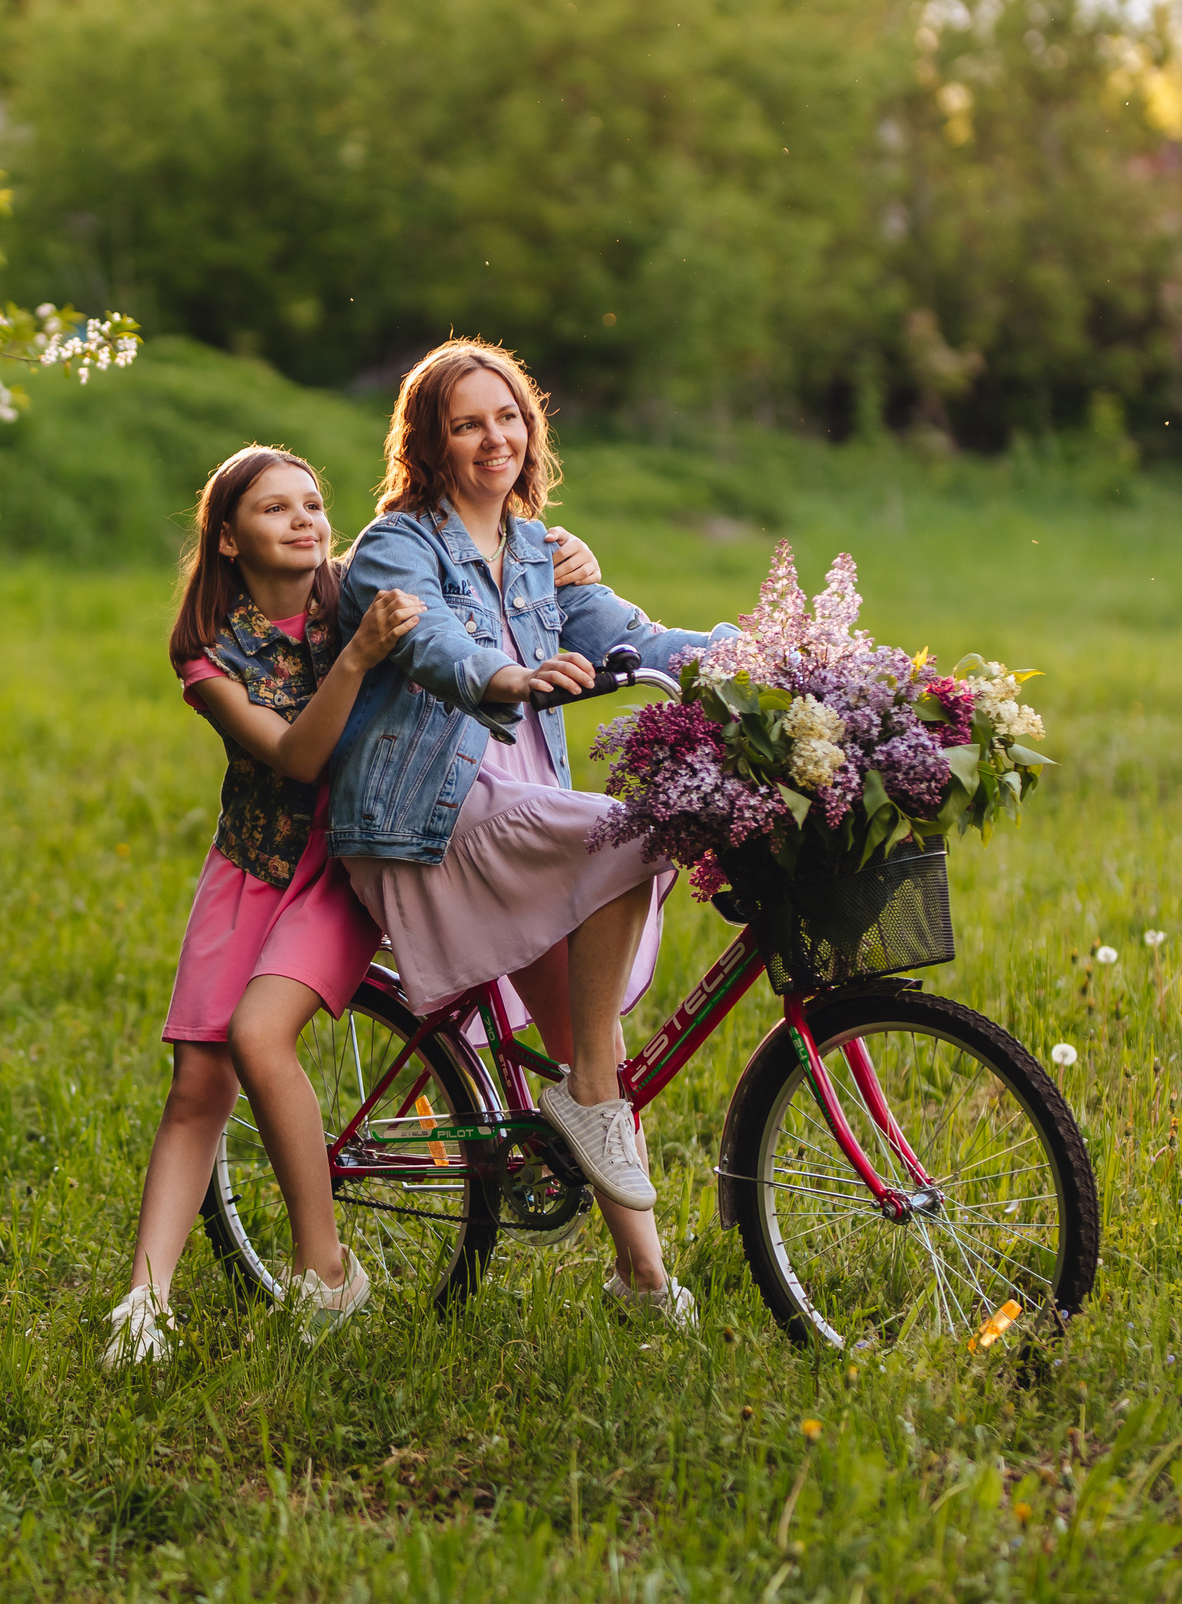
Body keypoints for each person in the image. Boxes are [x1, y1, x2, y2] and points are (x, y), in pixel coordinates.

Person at [103, 444, 604, 1366]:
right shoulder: (210, 658)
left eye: (311, 504)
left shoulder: (369, 584)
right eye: (274, 510)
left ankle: (326, 1271)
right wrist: (358, 657)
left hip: (346, 860)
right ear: (226, 537)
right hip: (253, 866)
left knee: (259, 1037)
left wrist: (562, 556)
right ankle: (145, 1300)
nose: (304, 520)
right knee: (198, 1082)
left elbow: (478, 574)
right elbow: (295, 757)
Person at [328, 341, 740, 1328]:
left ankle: (642, 1283)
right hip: (434, 815)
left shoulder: (537, 550)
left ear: (530, 426)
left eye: (505, 417)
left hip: (519, 809)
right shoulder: (397, 544)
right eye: (466, 424)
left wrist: (751, 653)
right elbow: (429, 641)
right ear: (426, 442)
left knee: (581, 1040)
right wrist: (503, 677)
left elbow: (628, 633)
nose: (492, 438)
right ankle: (589, 1095)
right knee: (627, 827)